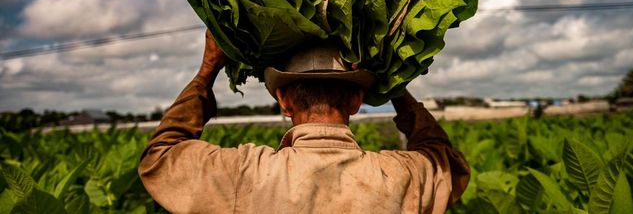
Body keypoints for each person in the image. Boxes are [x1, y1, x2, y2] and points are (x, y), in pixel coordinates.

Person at [139, 30, 470, 213]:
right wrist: (395, 85)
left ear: (283, 102)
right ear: (357, 101)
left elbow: (161, 157)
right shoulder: (400, 176)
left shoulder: (244, 173)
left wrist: (208, 68)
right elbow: (445, 161)